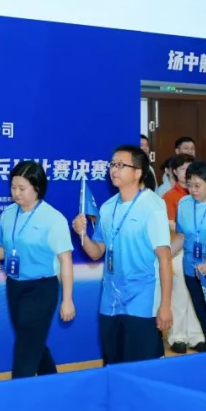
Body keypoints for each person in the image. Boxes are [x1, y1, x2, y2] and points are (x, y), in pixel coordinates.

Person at [73, 145, 172, 364]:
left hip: (143, 300)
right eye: (112, 164)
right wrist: (83, 235)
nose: (114, 170)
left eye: (120, 165)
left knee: (141, 365)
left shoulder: (152, 205)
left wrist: (165, 305)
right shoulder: (108, 207)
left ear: (138, 173)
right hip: (111, 300)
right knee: (113, 364)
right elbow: (97, 252)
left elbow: (165, 258)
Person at [0, 161, 75, 378]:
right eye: (13, 187)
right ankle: (51, 381)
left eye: (22, 188)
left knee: (25, 346)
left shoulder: (53, 218)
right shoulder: (8, 214)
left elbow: (65, 260)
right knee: (31, 340)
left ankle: (19, 391)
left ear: (37, 188)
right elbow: (3, 250)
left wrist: (67, 300)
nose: (16, 193)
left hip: (41, 288)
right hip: (14, 286)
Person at [173, 160, 206, 351]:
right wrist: (164, 256)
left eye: (198, 186)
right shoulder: (184, 204)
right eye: (189, 185)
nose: (193, 190)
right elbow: (181, 237)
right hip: (191, 270)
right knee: (203, 317)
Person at [162, 154, 203, 353]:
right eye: (182, 169)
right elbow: (170, 225)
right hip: (177, 251)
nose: (187, 172)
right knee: (179, 296)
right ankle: (177, 336)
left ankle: (196, 335)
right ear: (174, 172)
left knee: (196, 296)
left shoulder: (200, 193)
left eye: (190, 168)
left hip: (197, 253)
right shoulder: (170, 196)